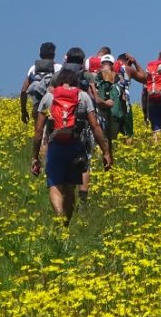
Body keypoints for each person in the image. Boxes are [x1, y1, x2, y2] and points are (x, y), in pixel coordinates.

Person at [30, 68, 112, 225]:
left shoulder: (49, 97)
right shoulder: (83, 97)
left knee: (55, 185)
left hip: (56, 149)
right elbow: (95, 126)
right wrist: (106, 152)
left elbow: (39, 130)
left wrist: (35, 156)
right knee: (70, 189)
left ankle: (59, 218)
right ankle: (65, 224)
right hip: (76, 147)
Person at [60, 47, 101, 202]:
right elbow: (95, 99)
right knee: (85, 160)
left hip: (61, 123)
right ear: (82, 61)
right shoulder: (87, 75)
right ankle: (83, 199)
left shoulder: (58, 76)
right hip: (82, 123)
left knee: (64, 159)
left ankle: (64, 195)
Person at [20, 41, 61, 124]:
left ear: (40, 54)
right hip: (55, 107)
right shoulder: (59, 68)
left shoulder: (33, 69)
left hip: (37, 108)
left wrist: (24, 111)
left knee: (38, 132)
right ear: (54, 54)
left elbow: (23, 91)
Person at [94, 54, 126, 150]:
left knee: (112, 139)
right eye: (104, 63)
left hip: (114, 115)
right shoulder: (97, 79)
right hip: (102, 114)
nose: (106, 66)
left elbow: (122, 98)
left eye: (108, 64)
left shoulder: (117, 81)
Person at [113, 52, 146, 144]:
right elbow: (145, 78)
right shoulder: (127, 68)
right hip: (124, 103)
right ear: (127, 60)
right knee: (128, 133)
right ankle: (127, 150)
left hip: (110, 103)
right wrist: (135, 63)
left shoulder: (108, 68)